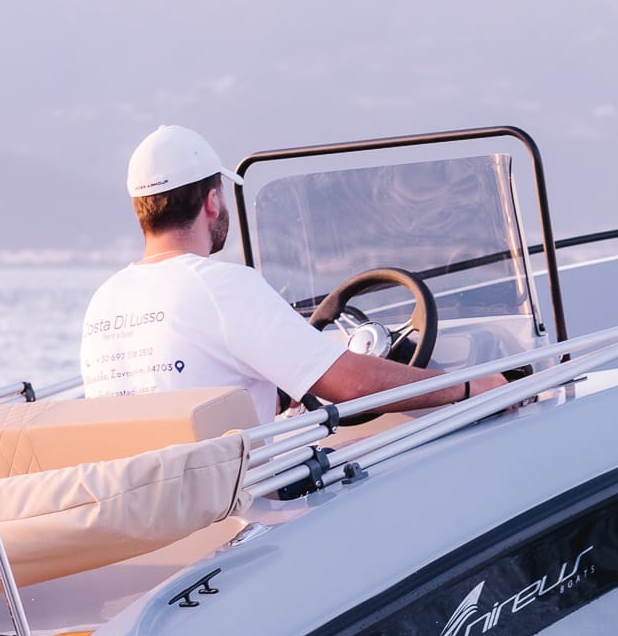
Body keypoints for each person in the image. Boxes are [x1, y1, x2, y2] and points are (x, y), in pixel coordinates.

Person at [81, 125, 508, 424]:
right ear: (212, 202)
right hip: (243, 506)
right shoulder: (221, 286)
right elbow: (352, 386)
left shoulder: (105, 300)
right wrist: (470, 386)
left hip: (154, 507)